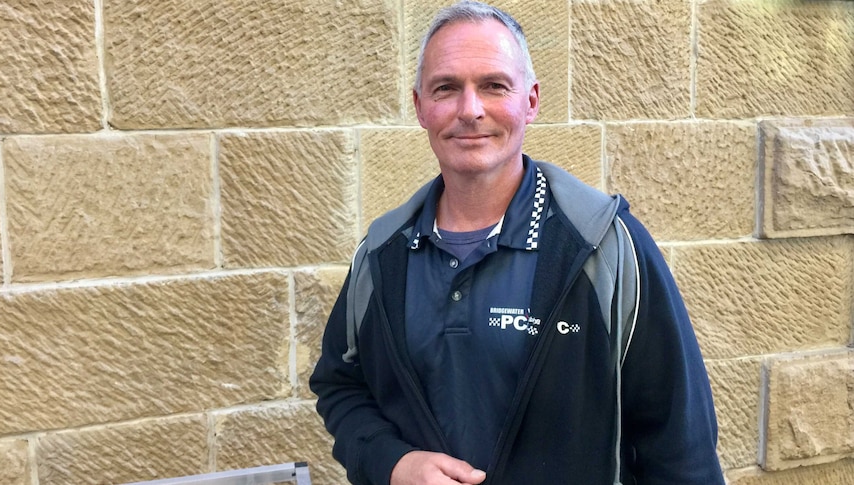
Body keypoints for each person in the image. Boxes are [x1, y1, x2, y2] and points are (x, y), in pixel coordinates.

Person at [310, 1, 725, 484]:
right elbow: (340, 385)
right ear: (420, 106)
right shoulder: (382, 255)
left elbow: (679, 443)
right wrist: (393, 463)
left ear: (530, 100)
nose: (470, 110)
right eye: (446, 88)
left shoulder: (604, 247)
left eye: (494, 85)